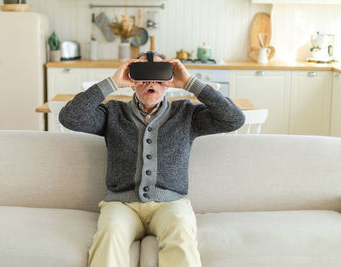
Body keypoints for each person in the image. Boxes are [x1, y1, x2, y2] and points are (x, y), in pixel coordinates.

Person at [58, 51, 245, 267]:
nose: (150, 83)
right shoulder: (112, 113)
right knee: (110, 233)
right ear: (132, 81)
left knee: (181, 232)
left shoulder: (187, 114)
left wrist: (189, 82)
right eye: (142, 76)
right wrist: (113, 82)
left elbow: (234, 119)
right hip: (122, 204)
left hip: (170, 204)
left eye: (158, 76)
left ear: (168, 81)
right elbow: (69, 117)